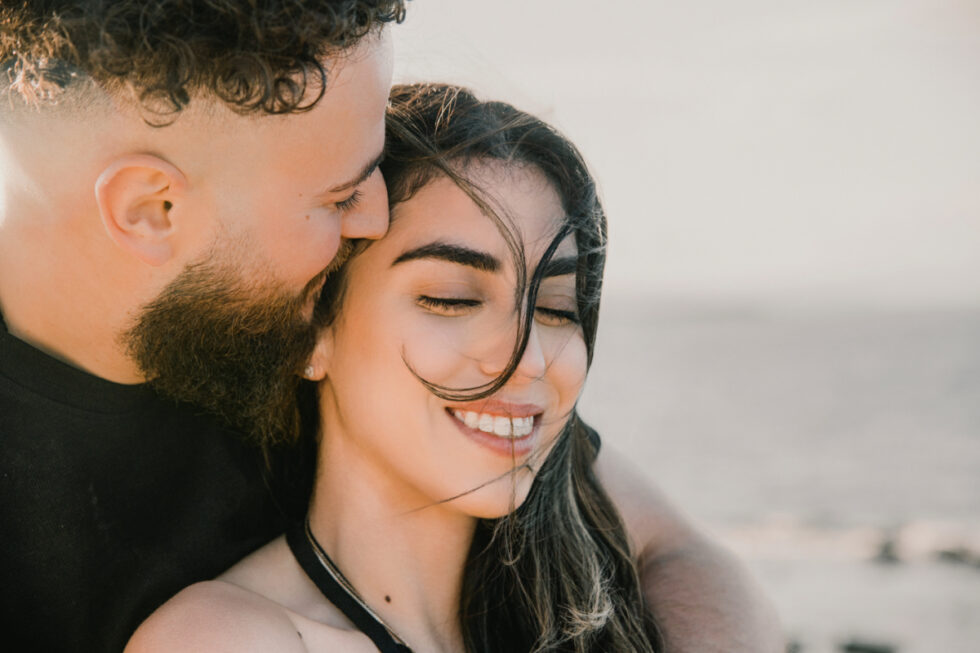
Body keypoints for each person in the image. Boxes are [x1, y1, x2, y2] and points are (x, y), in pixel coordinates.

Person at [1, 4, 779, 653]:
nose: (372, 218)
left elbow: (677, 551)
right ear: (153, 209)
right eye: (338, 196)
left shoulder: (281, 332)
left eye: (555, 309)